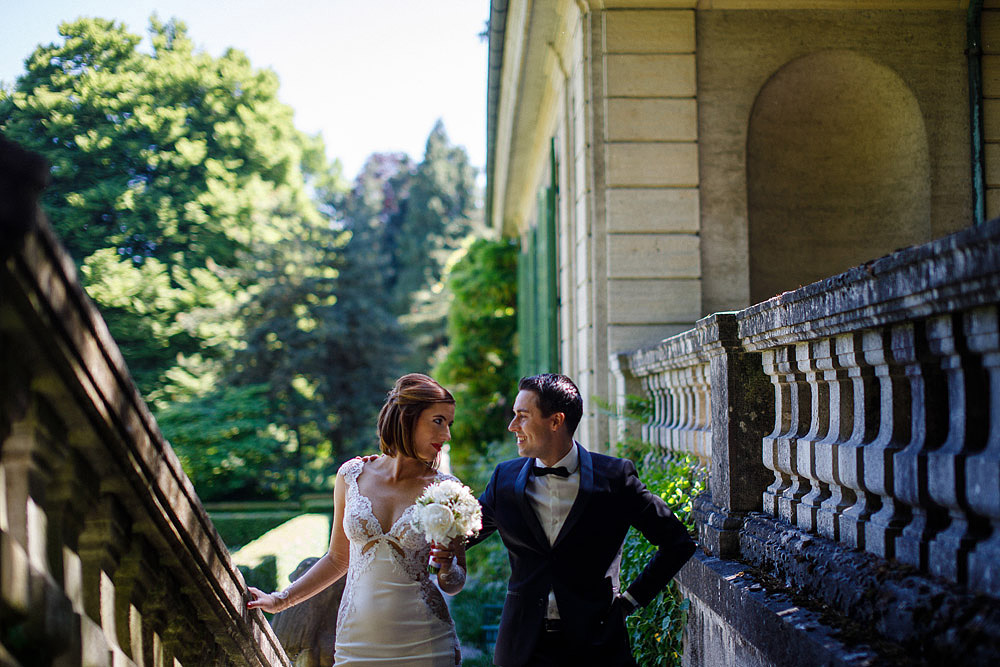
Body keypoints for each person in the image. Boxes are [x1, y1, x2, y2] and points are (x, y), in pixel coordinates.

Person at [470, 373, 696, 667]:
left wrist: (630, 601)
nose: (513, 426)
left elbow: (677, 542)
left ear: (555, 421)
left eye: (522, 416)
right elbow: (463, 535)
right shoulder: (504, 479)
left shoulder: (615, 478)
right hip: (522, 649)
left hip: (598, 646)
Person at [247, 373, 467, 666]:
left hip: (425, 643)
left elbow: (454, 582)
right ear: (408, 417)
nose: (447, 435)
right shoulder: (351, 475)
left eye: (449, 424)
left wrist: (448, 565)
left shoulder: (446, 490)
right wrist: (280, 600)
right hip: (356, 643)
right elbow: (338, 559)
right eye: (438, 421)